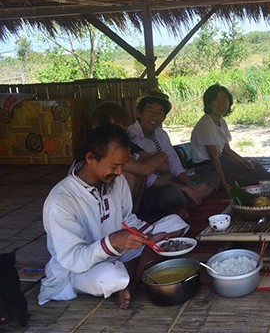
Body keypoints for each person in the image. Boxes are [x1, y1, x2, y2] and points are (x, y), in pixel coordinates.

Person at [38, 124, 189, 310]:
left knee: (175, 223)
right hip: (80, 269)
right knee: (113, 277)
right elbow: (73, 259)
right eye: (114, 166)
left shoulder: (116, 181)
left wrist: (148, 238)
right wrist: (111, 242)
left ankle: (131, 283)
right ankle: (133, 276)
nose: (119, 172)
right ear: (90, 158)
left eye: (123, 165)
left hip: (118, 251)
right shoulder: (61, 200)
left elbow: (127, 218)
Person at [127, 89, 219, 221]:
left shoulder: (161, 134)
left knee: (212, 176)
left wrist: (189, 184)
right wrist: (182, 188)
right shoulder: (130, 136)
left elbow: (173, 163)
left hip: (170, 180)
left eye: (160, 112)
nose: (155, 116)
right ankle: (183, 202)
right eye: (150, 111)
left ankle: (182, 203)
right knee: (172, 195)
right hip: (150, 189)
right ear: (139, 113)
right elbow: (147, 178)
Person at [190, 84, 270, 194]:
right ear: (209, 103)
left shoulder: (221, 121)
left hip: (222, 160)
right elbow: (214, 159)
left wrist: (244, 162)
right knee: (252, 177)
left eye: (224, 99)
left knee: (254, 165)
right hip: (207, 167)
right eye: (216, 100)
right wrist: (225, 185)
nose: (221, 104)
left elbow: (227, 150)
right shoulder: (206, 124)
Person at [90, 101, 168, 211]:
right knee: (129, 177)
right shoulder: (103, 147)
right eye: (121, 123)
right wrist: (163, 154)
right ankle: (125, 216)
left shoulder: (126, 144)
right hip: (96, 201)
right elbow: (144, 168)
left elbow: (163, 167)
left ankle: (132, 214)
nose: (126, 127)